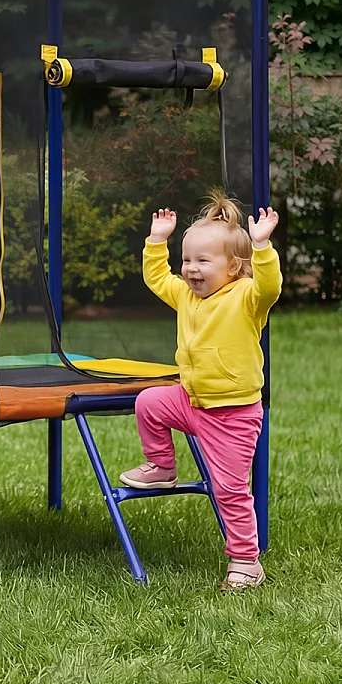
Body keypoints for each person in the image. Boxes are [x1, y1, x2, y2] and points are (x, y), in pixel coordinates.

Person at [121, 193, 282, 592]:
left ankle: (246, 562)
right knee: (150, 402)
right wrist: (157, 241)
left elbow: (270, 287)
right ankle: (162, 467)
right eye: (187, 260)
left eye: (203, 261)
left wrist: (262, 246)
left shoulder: (246, 298)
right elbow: (158, 279)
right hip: (191, 401)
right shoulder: (186, 295)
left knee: (230, 489)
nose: (191, 269)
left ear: (234, 267)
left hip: (232, 413)